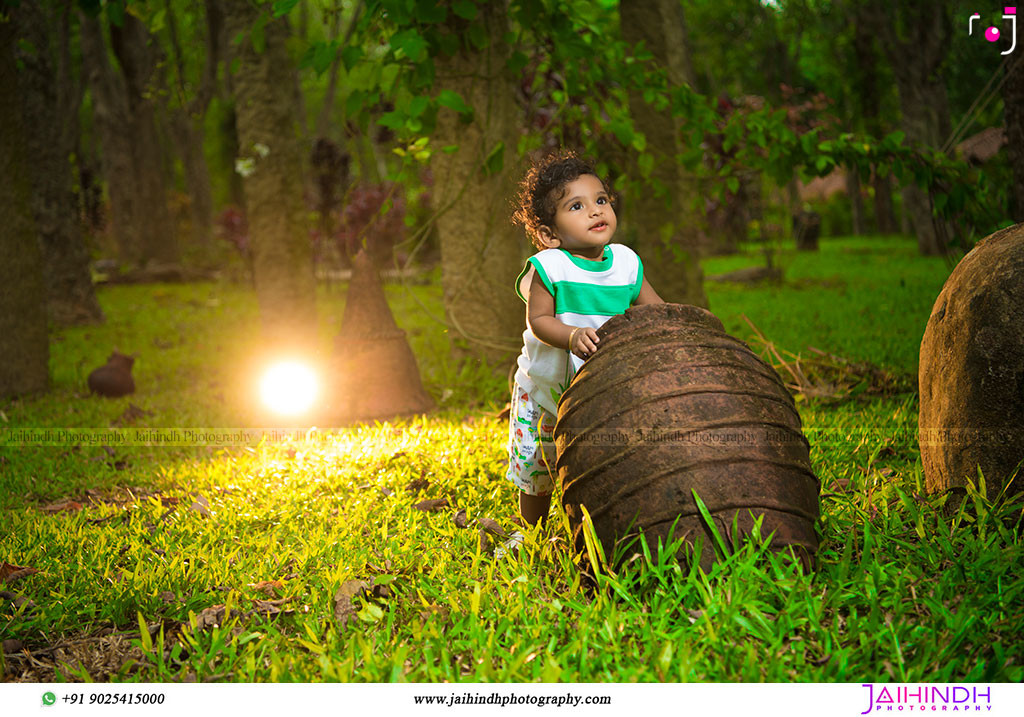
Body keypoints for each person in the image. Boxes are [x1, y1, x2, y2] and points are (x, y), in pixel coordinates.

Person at [505, 151, 664, 535]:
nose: (595, 211)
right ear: (549, 234)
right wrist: (572, 335)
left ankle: (606, 520)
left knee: (608, 453)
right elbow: (539, 320)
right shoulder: (551, 266)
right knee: (537, 462)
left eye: (601, 200)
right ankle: (533, 528)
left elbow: (658, 312)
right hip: (545, 390)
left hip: (607, 387)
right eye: (577, 206)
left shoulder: (626, 264)